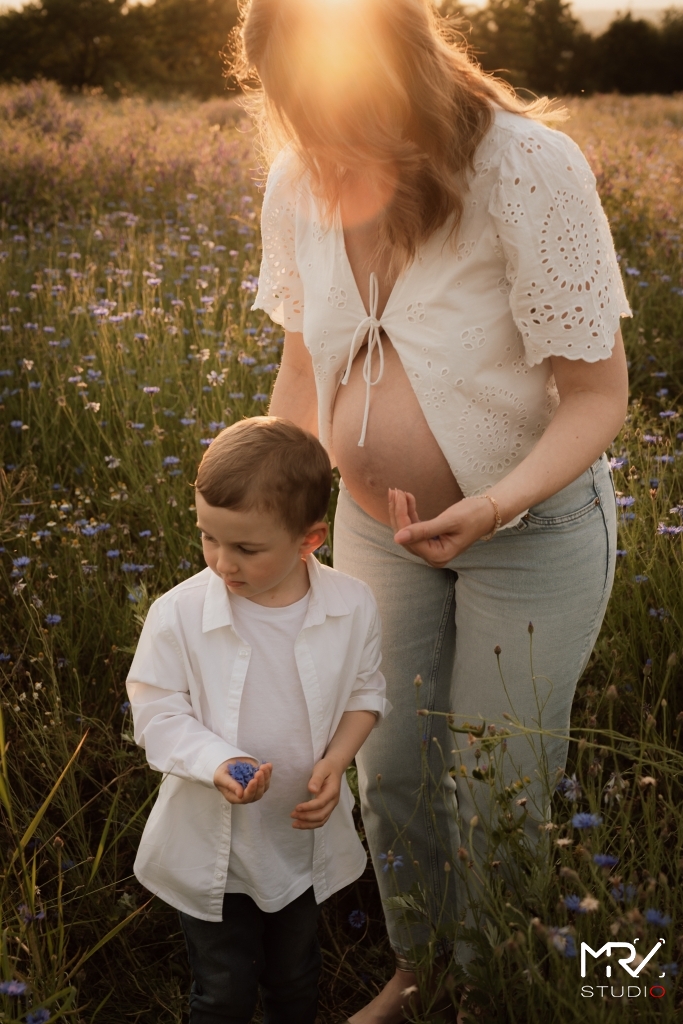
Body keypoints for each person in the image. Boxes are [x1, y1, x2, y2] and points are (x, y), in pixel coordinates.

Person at [234, 0, 631, 1020]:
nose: (323, 149)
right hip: (373, 535)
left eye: (346, 119)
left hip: (528, 534)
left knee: (494, 781)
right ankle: (424, 970)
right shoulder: (296, 178)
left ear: (405, 73)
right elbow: (302, 369)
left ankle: (492, 979)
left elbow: (595, 396)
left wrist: (492, 504)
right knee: (391, 767)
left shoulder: (525, 169)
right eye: (301, 118)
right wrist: (283, 522)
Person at [126, 417, 390, 1024]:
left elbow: (366, 691)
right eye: (208, 538)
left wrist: (337, 761)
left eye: (246, 548)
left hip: (297, 838)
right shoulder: (180, 614)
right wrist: (217, 762)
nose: (222, 562)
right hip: (213, 844)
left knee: (296, 978)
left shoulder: (351, 606)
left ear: (310, 540)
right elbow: (157, 711)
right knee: (222, 989)